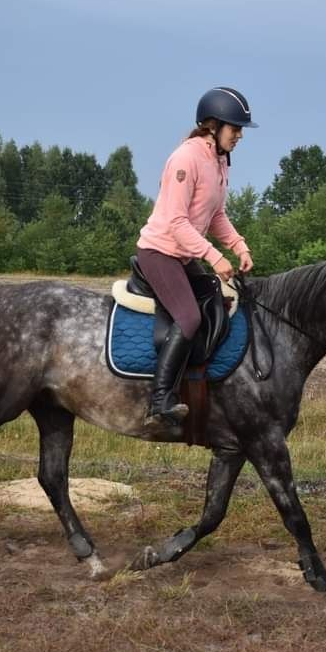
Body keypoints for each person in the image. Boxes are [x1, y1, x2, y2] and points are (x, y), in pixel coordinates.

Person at [135, 86, 257, 426]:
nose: (239, 136)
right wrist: (214, 257)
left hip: (184, 255)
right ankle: (159, 400)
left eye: (240, 130)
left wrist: (239, 246)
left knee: (218, 304)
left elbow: (216, 215)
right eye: (235, 128)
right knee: (189, 318)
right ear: (213, 126)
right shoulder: (186, 159)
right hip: (159, 252)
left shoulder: (219, 161)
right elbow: (176, 222)